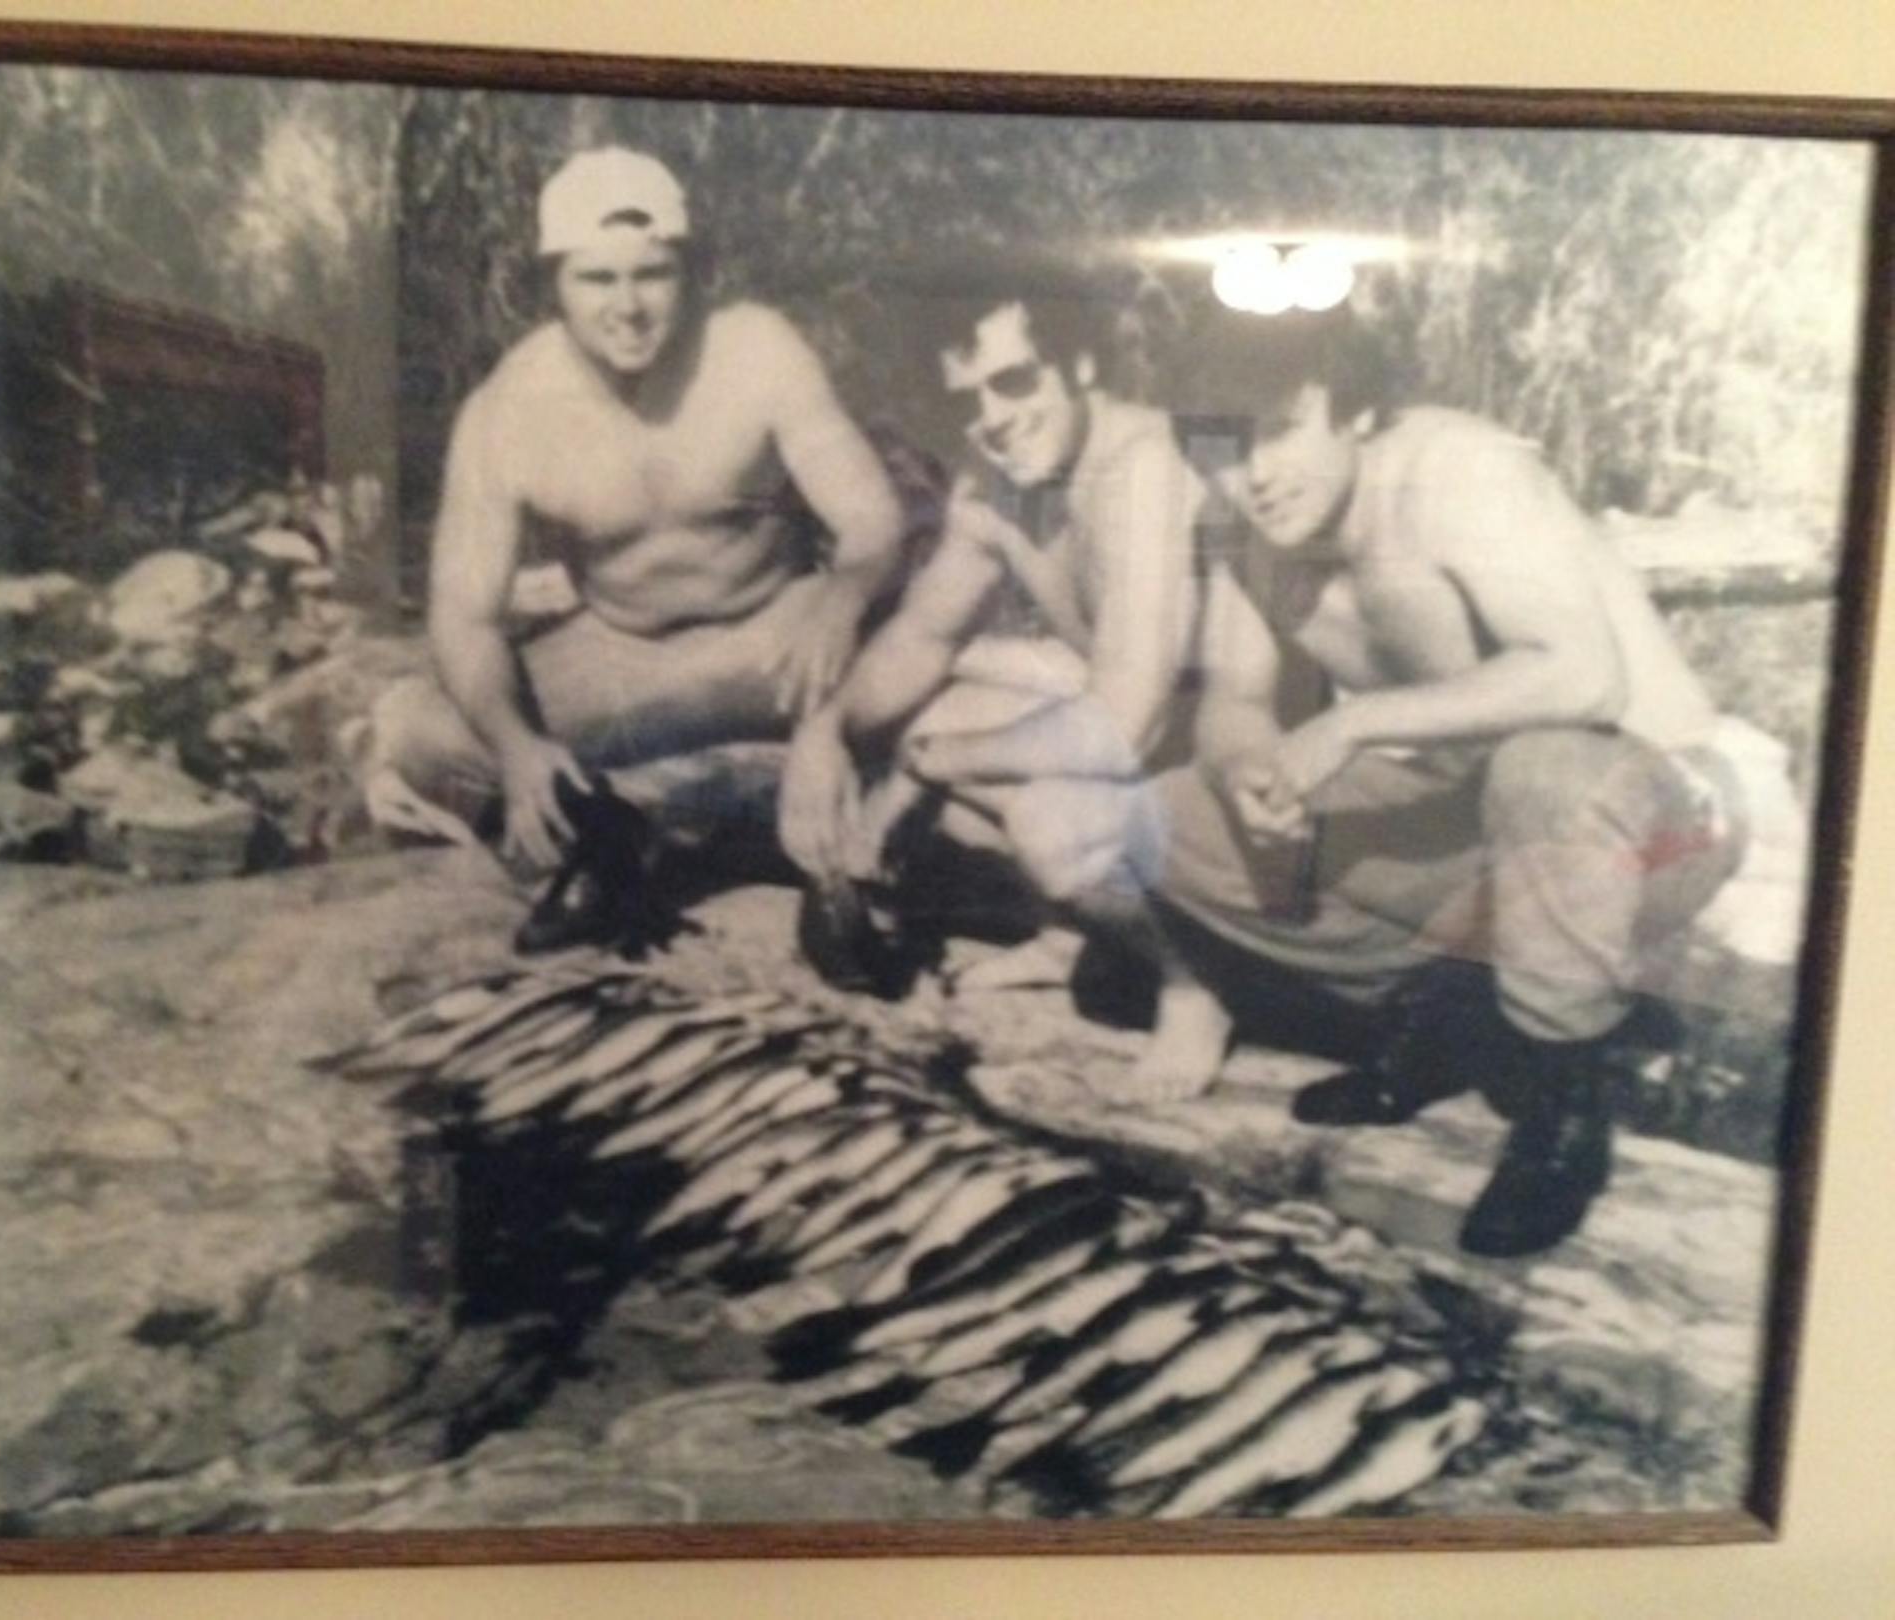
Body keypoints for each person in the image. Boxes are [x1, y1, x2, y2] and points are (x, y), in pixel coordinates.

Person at [1156, 304, 1792, 1258]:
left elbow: (1581, 679)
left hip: (1666, 810)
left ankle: (1562, 1102)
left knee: (1545, 770)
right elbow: (1231, 705)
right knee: (1169, 819)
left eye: (1281, 429)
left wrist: (1350, 722)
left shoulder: (1457, 471)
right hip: (1483, 822)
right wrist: (1255, 771)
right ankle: (1454, 1008)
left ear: (1353, 408)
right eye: (1226, 446)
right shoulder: (1241, 527)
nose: (1255, 475)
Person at [359, 147, 906, 944]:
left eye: (652, 274)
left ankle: (735, 823)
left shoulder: (757, 351)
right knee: (417, 731)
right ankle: (636, 827)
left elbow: (873, 521)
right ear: (553, 284)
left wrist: (842, 601)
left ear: (688, 272)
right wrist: (516, 748)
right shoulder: (506, 409)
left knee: (929, 706)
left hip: (773, 640)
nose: (628, 307)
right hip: (620, 656)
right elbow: (463, 617)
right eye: (597, 279)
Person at [781, 267, 1227, 1102]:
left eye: (1014, 381)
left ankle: (1194, 987)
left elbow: (1126, 724)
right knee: (926, 707)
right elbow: (923, 635)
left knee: (1044, 817)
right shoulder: (999, 482)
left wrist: (927, 766)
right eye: (969, 399)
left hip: (1259, 783)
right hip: (1165, 745)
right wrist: (825, 731)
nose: (991, 417)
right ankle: (1069, 939)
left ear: (1082, 365)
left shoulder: (1143, 472)